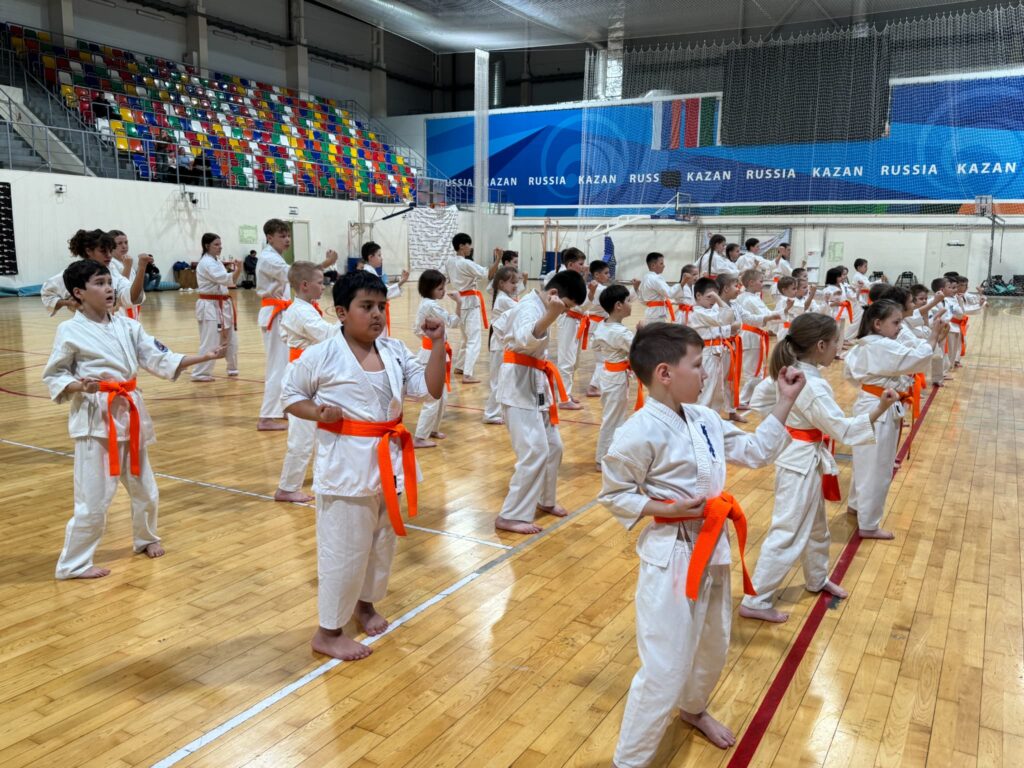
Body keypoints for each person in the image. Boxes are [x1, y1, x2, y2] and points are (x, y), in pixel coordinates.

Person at [600, 323, 804, 763]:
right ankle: (628, 760)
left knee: (713, 643)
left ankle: (693, 708)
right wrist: (666, 508)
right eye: (696, 365)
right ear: (664, 373)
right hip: (671, 554)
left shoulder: (704, 418)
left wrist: (785, 402)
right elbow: (615, 494)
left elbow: (755, 452)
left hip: (713, 546)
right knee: (665, 665)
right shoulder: (637, 431)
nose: (706, 372)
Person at [281, 269, 446, 661]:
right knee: (344, 550)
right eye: (366, 306)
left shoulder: (394, 350)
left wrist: (438, 343)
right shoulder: (321, 354)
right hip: (346, 467)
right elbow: (290, 395)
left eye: (381, 306)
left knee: (380, 544)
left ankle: (365, 604)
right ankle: (328, 631)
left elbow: (431, 389)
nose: (376, 314)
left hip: (389, 462)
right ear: (341, 312)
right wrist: (317, 412)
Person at [42, 259, 225, 579]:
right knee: (94, 500)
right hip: (96, 421)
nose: (109, 289)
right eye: (99, 283)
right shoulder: (69, 330)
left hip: (130, 414)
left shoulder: (127, 325)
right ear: (79, 293)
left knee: (146, 489)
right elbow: (55, 374)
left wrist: (203, 357)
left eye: (109, 282)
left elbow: (159, 356)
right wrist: (79, 386)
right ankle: (73, 564)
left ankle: (146, 538)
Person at [739, 313, 898, 623]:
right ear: (821, 345)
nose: (839, 347)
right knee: (787, 532)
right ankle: (755, 600)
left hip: (800, 454)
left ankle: (816, 577)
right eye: (836, 342)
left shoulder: (792, 370)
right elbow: (844, 430)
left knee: (816, 528)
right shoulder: (810, 384)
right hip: (798, 461)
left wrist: (786, 423)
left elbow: (760, 400)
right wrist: (881, 407)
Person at [844, 300, 946, 539]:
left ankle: (856, 505)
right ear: (878, 324)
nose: (900, 327)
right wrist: (933, 335)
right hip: (880, 409)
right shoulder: (882, 345)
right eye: (896, 322)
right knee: (878, 468)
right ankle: (869, 524)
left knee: (864, 462)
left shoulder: (866, 343)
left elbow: (851, 375)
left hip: (868, 403)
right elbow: (917, 358)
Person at [495, 270, 586, 535]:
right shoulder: (529, 307)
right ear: (554, 294)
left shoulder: (539, 304)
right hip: (518, 386)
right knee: (534, 451)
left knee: (554, 447)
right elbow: (524, 337)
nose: (564, 312)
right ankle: (510, 515)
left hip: (535, 383)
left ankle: (546, 499)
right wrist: (551, 315)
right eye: (566, 306)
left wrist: (552, 313)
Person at [255, 218, 337, 431]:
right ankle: (266, 416)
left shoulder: (275, 257)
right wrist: (325, 264)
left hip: (280, 311)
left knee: (283, 365)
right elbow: (295, 274)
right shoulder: (268, 258)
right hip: (274, 313)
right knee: (277, 366)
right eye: (282, 236)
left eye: (288, 235)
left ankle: (283, 406)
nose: (287, 239)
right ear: (269, 237)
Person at [274, 261, 335, 504]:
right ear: (305, 285)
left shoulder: (306, 308)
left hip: (312, 374)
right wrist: (352, 323)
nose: (324, 286)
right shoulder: (300, 311)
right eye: (320, 282)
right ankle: (287, 488)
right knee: (302, 436)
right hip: (301, 377)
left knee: (320, 431)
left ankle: (323, 478)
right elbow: (326, 334)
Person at [42, 230, 148, 318]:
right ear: (88, 251)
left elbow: (133, 297)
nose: (109, 255)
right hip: (87, 328)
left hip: (113, 324)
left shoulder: (112, 270)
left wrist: (142, 267)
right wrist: (68, 303)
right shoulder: (74, 272)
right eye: (103, 251)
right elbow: (47, 293)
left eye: (110, 251)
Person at [590, 284, 638, 469]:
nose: (630, 304)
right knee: (613, 419)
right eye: (628, 301)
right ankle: (602, 458)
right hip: (616, 377)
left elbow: (595, 346)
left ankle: (613, 454)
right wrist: (642, 332)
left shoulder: (603, 325)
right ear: (618, 305)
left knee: (614, 417)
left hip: (608, 373)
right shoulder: (620, 332)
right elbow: (637, 349)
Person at [413, 269, 461, 448]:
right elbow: (453, 322)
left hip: (435, 352)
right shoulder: (431, 306)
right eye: (440, 288)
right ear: (429, 289)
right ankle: (420, 436)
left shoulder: (427, 304)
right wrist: (459, 302)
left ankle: (432, 429)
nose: (443, 291)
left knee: (442, 397)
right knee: (433, 397)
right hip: (431, 355)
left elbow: (416, 329)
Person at [446, 232, 497, 384]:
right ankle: (467, 374)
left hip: (459, 301)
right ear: (461, 246)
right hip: (469, 303)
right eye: (469, 244)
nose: (471, 247)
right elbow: (488, 274)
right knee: (474, 340)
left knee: (465, 337)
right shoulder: (466, 263)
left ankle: (460, 366)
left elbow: (446, 278)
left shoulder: (450, 261)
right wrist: (498, 259)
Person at [689, 277, 742, 422]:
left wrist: (730, 329)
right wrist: (718, 298)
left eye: (715, 295)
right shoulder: (698, 312)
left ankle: (713, 419)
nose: (713, 300)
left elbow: (720, 325)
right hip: (706, 354)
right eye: (709, 297)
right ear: (698, 296)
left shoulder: (707, 311)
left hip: (716, 352)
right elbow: (725, 317)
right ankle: (700, 421)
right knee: (707, 390)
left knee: (717, 391)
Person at [192, 232, 242, 382]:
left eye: (220, 244)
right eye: (216, 244)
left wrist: (237, 270)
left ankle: (232, 368)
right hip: (209, 305)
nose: (220, 247)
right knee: (210, 341)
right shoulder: (207, 263)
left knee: (231, 338)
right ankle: (200, 373)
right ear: (207, 246)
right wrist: (238, 269)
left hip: (223, 303)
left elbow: (228, 281)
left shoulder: (216, 261)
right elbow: (226, 280)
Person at [735, 268, 780, 408]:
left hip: (754, 335)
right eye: (761, 281)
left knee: (756, 371)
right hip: (751, 336)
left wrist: (781, 314)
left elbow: (767, 314)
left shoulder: (751, 297)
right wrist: (781, 314)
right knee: (753, 372)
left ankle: (751, 398)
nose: (763, 284)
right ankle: (742, 400)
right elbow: (764, 316)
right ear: (751, 282)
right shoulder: (748, 299)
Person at [482, 265, 520, 425]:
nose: (516, 286)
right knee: (498, 381)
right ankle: (490, 414)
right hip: (498, 346)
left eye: (516, 282)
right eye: (513, 283)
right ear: (501, 284)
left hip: (500, 344)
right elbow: (522, 308)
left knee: (501, 380)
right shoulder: (503, 299)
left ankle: (497, 411)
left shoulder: (504, 296)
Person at [552, 248, 589, 409]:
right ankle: (563, 398)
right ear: (571, 264)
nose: (583, 266)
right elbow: (575, 304)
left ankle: (566, 393)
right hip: (568, 320)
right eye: (580, 264)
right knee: (566, 360)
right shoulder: (563, 279)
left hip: (577, 321)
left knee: (573, 362)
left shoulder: (575, 278)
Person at [360, 241, 409, 336]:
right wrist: (402, 282)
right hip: (374, 312)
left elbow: (383, 290)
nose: (382, 258)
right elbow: (383, 293)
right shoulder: (368, 274)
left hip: (376, 310)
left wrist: (401, 282)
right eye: (379, 255)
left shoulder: (371, 272)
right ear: (370, 257)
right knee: (379, 337)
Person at [582, 259, 613, 398]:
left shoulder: (589, 287)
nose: (608, 275)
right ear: (596, 275)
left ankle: (597, 385)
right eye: (606, 273)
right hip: (598, 327)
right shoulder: (601, 290)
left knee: (603, 358)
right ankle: (593, 387)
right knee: (602, 360)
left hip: (594, 325)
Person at [109, 230, 148, 321]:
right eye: (120, 243)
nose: (124, 246)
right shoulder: (111, 264)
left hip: (133, 309)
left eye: (126, 242)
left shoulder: (127, 261)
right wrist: (127, 267)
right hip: (119, 312)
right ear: (110, 246)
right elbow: (120, 289)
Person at [637, 251, 682, 323]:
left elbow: (641, 299)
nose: (664, 266)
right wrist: (682, 283)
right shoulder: (656, 278)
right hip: (657, 315)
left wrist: (675, 301)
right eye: (661, 263)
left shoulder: (645, 278)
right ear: (653, 265)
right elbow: (670, 293)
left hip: (650, 313)